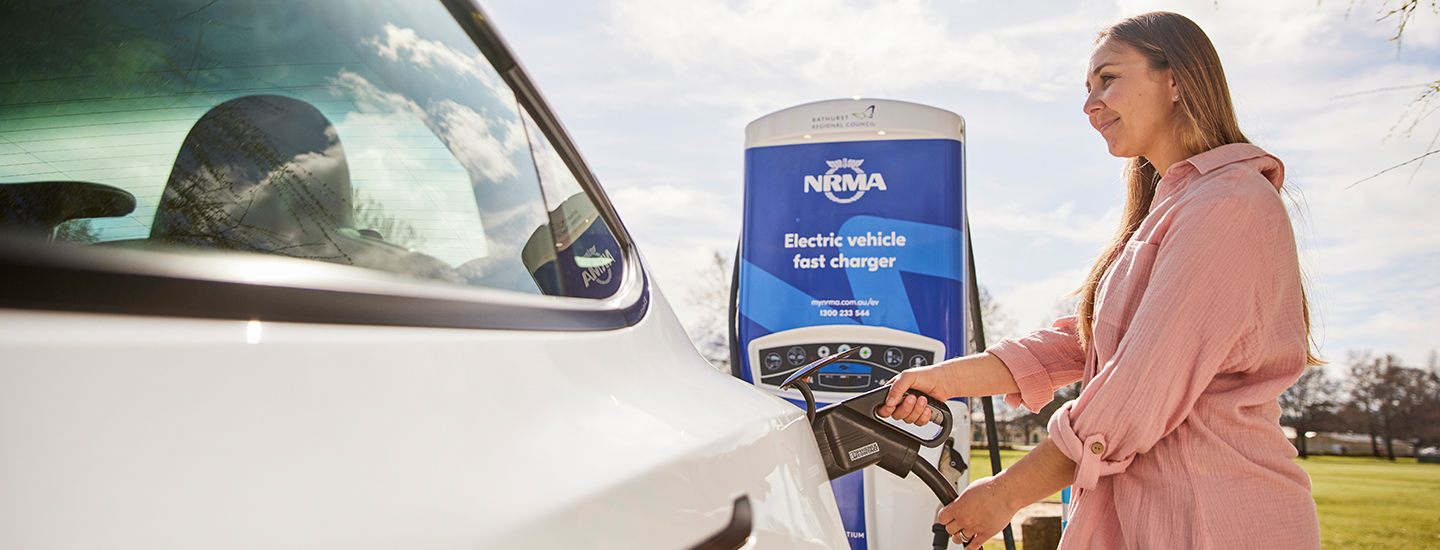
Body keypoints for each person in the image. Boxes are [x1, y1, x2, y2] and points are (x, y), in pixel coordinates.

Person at [877, 11, 1323, 549]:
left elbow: (1135, 387)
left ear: (1177, 78)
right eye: (1087, 87)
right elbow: (1086, 340)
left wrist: (1005, 494)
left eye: (1108, 79)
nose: (1089, 105)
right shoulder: (1174, 207)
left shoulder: (1229, 203)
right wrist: (941, 382)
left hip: (1213, 519)